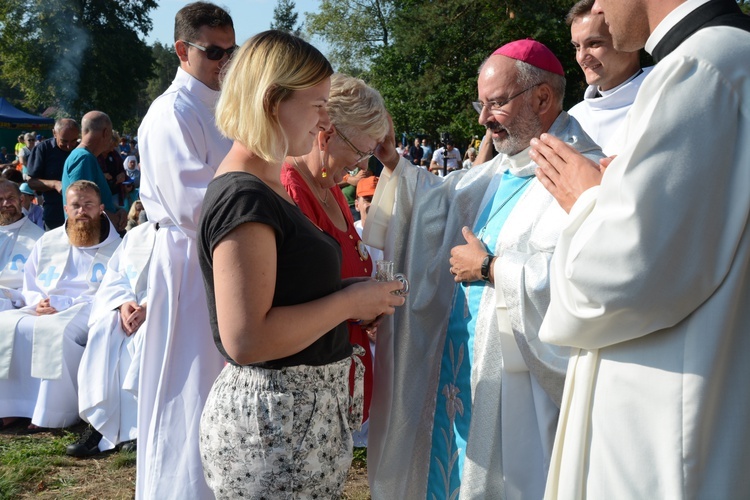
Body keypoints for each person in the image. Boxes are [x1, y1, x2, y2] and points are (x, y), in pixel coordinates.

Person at [363, 39, 603, 499]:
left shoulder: (584, 173)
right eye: (482, 103)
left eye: (495, 103)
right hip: (462, 375)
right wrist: (394, 161)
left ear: (542, 98)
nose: (482, 119)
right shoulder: (496, 172)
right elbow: (437, 204)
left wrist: (493, 268)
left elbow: (590, 281)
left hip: (522, 393)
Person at [529, 1, 750, 498]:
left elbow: (619, 275)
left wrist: (588, 199)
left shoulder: (700, 67)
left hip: (668, 414)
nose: (601, 8)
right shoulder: (735, 56)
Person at [197, 30, 404, 498]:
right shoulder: (244, 195)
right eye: (316, 104)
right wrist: (351, 299)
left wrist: (356, 293)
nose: (324, 120)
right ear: (273, 101)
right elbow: (247, 339)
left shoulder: (262, 185)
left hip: (294, 419)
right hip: (272, 426)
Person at [135, 2, 235, 498]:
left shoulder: (222, 106)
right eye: (215, 51)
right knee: (189, 385)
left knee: (219, 384)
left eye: (231, 51)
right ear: (183, 50)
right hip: (188, 264)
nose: (225, 61)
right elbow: (193, 203)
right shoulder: (170, 112)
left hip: (223, 258)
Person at [281, 73, 388, 436]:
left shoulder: (332, 190)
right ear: (326, 136)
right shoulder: (290, 192)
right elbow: (289, 301)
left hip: (337, 383)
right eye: (359, 153)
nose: (360, 168)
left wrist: (368, 305)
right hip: (303, 395)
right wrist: (356, 302)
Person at [0, 181, 120, 431]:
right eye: (76, 205)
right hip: (45, 305)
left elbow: (113, 289)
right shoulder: (49, 240)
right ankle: (11, 406)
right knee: (6, 323)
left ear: (101, 208)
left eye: (88, 205)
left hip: (89, 307)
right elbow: (29, 281)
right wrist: (36, 302)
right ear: (66, 208)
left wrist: (63, 303)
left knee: (53, 332)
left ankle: (50, 412)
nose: (82, 211)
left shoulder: (117, 247)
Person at [70, 220, 156, 457]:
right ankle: (99, 423)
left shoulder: (185, 233)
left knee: (146, 338)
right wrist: (123, 302)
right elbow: (116, 276)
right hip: (129, 309)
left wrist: (151, 308)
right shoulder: (136, 234)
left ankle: (137, 429)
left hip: (165, 312)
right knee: (104, 331)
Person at [567, 0, 653, 155]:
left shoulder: (660, 98)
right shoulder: (573, 118)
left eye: (594, 43)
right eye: (577, 47)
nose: (581, 57)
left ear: (627, 40)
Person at [61, 111, 127, 233]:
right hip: (92, 238)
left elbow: (97, 200)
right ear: (106, 132)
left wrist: (117, 210)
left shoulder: (85, 157)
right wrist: (116, 221)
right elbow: (82, 205)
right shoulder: (84, 158)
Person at [27, 118, 80, 229]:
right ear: (54, 133)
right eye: (64, 141)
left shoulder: (80, 149)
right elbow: (32, 182)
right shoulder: (43, 149)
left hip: (80, 213)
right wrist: (55, 184)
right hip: (55, 214)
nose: (69, 146)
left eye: (73, 141)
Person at [0, 180, 44, 312]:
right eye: (0, 199)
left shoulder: (40, 238)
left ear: (21, 199)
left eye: (10, 198)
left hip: (18, 300)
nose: (6, 204)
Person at [353, 175, 383, 269]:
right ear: (357, 205)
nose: (374, 205)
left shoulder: (395, 235)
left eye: (379, 200)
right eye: (369, 200)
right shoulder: (352, 234)